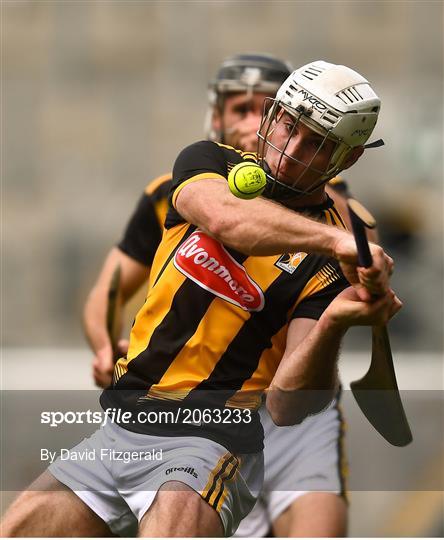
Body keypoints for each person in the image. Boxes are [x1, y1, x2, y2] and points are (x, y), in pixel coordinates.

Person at [1, 60, 399, 538]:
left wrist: (336, 319)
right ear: (274, 115)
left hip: (209, 442)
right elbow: (231, 223)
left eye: (315, 142)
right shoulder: (207, 162)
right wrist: (338, 242)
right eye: (289, 126)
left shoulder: (330, 266)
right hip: (123, 426)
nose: (291, 152)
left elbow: (287, 406)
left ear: (347, 159)